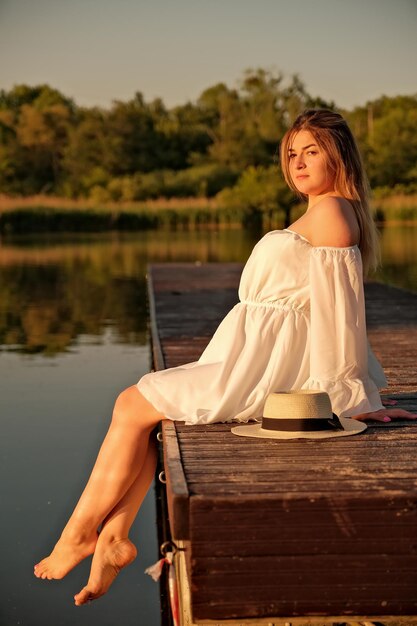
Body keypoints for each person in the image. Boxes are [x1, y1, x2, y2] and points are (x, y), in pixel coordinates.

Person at [34, 109, 417, 605]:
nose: (297, 163)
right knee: (149, 410)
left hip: (266, 364)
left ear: (338, 154)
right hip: (250, 352)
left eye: (311, 151)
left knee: (133, 403)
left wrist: (351, 395)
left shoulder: (332, 215)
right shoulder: (323, 210)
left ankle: (81, 533)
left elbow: (341, 316)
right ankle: (112, 538)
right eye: (292, 153)